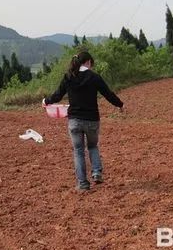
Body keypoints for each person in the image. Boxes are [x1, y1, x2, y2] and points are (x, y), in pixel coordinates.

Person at [43, 51, 124, 191]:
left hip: (74, 121)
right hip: (92, 120)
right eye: (91, 63)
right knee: (92, 146)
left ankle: (83, 184)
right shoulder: (94, 77)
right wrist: (120, 104)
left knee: (78, 151)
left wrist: (46, 101)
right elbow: (108, 94)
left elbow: (57, 96)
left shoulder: (68, 77)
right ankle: (97, 172)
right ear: (88, 62)